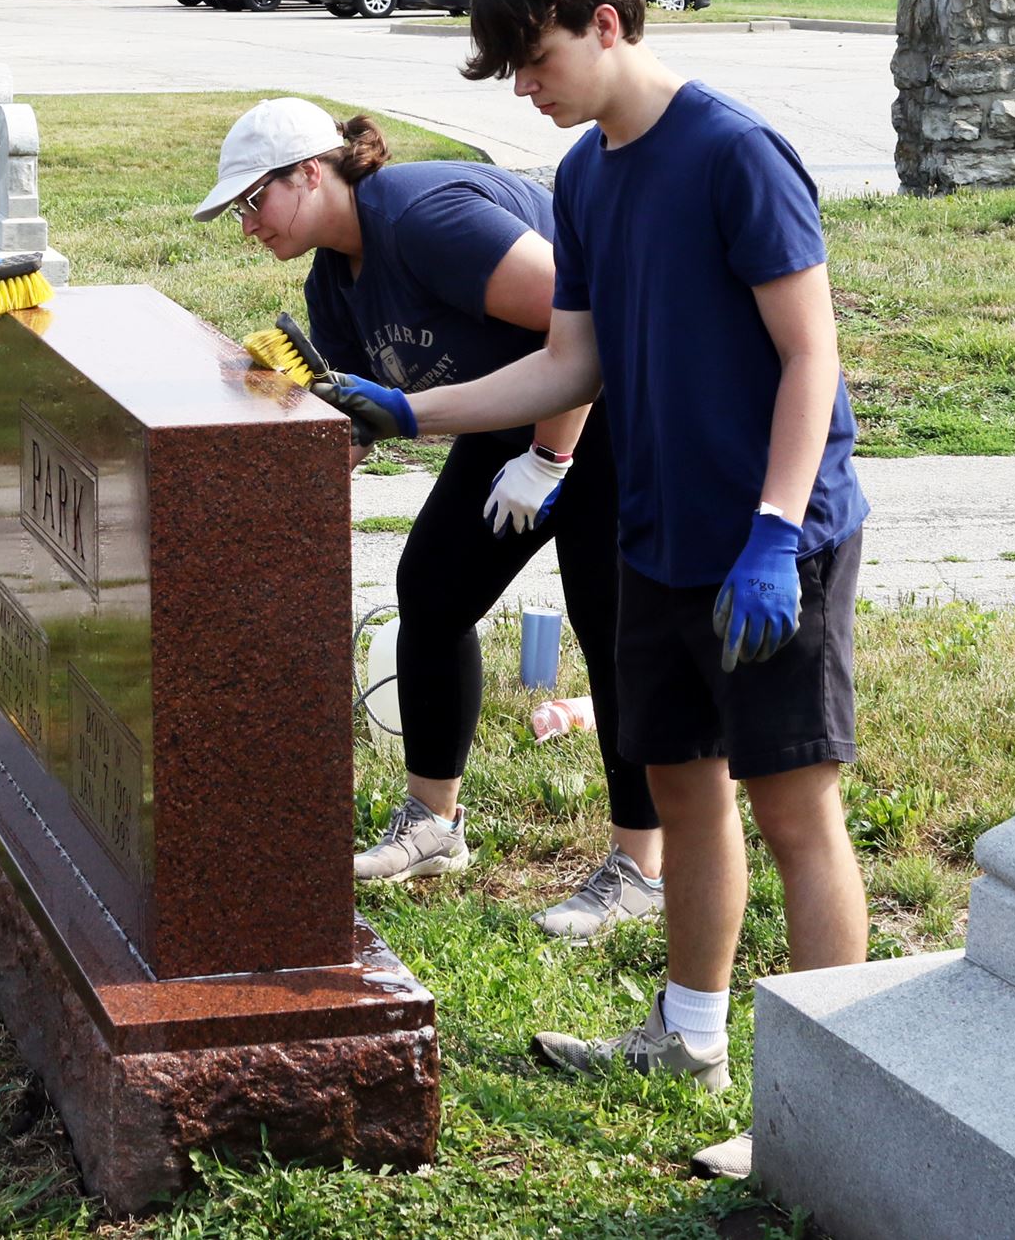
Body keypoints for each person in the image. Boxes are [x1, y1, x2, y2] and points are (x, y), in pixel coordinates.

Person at [312, 0, 870, 1174]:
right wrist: (412, 408)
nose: (523, 83)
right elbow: (570, 361)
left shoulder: (732, 153)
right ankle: (688, 1033)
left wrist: (776, 531)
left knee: (792, 807)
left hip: (773, 538)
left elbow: (808, 353)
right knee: (678, 782)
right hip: (658, 532)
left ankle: (834, 1102)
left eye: (532, 53)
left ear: (606, 21)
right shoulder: (583, 175)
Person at [193, 97, 669, 939]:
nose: (246, 226)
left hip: (618, 410)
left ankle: (641, 869)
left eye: (252, 201)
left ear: (311, 171)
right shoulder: (332, 282)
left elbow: (589, 329)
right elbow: (369, 419)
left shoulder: (424, 216)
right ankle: (433, 827)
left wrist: (550, 459)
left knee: (610, 623)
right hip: (512, 423)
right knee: (434, 590)